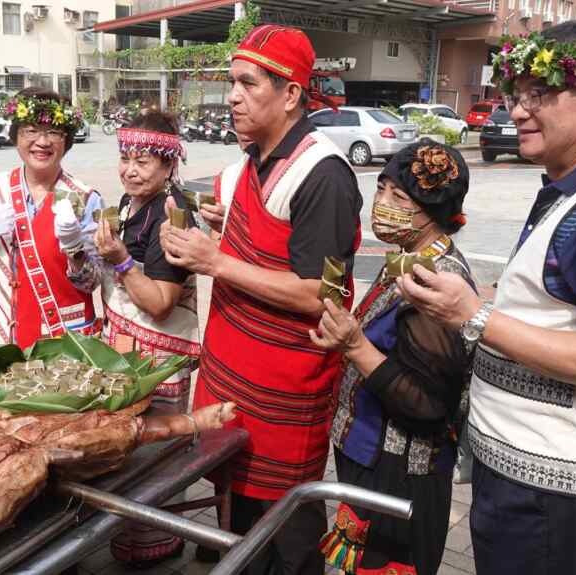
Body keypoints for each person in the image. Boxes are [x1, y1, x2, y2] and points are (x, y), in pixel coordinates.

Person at [397, 21, 576, 575]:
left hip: (554, 489)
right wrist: (479, 300)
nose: (517, 111)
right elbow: (559, 309)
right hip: (532, 476)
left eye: (541, 93)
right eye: (515, 94)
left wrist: (471, 314)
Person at [161, 24, 363, 574]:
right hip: (240, 380)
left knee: (285, 528)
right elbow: (279, 244)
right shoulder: (258, 158)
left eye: (248, 84)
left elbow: (321, 294)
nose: (232, 96)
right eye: (232, 83)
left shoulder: (322, 174)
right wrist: (228, 231)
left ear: (292, 93)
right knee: (242, 520)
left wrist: (217, 261)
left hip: (283, 394)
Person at [312, 140, 475, 575]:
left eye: (398, 197)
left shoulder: (436, 279)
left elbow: (428, 405)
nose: (381, 204)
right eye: (381, 189)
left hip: (400, 474)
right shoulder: (408, 260)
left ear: (435, 211)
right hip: (370, 460)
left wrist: (355, 346)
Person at [93, 112, 200, 565]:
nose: (130, 170)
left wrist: (119, 261)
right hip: (127, 346)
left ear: (169, 166)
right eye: (125, 158)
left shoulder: (172, 216)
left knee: (154, 450)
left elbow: (160, 302)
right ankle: (129, 536)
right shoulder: (131, 200)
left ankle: (158, 542)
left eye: (143, 161)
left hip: (155, 352)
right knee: (130, 445)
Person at [0, 87, 104, 347]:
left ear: (67, 141)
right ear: (15, 137)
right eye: (31, 130)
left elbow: (92, 282)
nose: (43, 141)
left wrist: (75, 248)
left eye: (54, 132)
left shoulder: (85, 197)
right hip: (5, 335)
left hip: (65, 339)